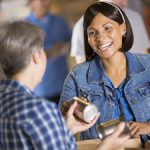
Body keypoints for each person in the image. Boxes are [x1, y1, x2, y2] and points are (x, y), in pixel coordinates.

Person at [0, 20, 130, 150]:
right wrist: (106, 147)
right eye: (43, 50)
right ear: (36, 56)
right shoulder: (39, 110)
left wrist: (65, 130)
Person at [59, 1, 150, 142]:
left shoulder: (148, 66)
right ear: (87, 39)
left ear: (123, 29)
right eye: (92, 32)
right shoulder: (78, 76)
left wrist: (149, 126)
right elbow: (60, 124)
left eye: (107, 28)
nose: (100, 38)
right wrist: (70, 112)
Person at [71, 0, 150, 64]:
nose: (125, 2)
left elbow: (144, 54)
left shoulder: (136, 17)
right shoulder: (82, 25)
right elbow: (82, 66)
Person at [26, 0, 72, 104]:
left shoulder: (60, 21)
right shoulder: (25, 27)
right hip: (40, 90)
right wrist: (50, 52)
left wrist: (64, 47)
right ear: (30, 3)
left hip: (64, 86)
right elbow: (24, 56)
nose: (46, 2)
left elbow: (71, 43)